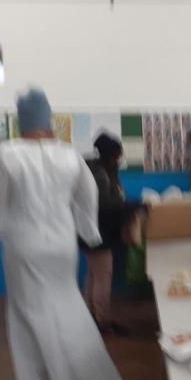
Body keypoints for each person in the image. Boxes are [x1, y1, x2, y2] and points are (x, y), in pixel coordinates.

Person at [0, 88, 123, 380]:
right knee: (69, 308)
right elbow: (87, 198)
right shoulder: (70, 156)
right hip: (62, 245)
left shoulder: (7, 155)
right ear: (48, 120)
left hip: (24, 247)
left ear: (21, 120)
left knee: (29, 320)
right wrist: (89, 233)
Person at [82, 132, 140, 336]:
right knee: (102, 279)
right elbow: (105, 205)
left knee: (93, 276)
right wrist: (134, 205)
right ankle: (104, 323)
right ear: (111, 155)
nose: (120, 159)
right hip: (98, 234)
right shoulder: (99, 174)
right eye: (118, 155)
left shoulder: (97, 169)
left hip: (90, 232)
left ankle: (89, 318)